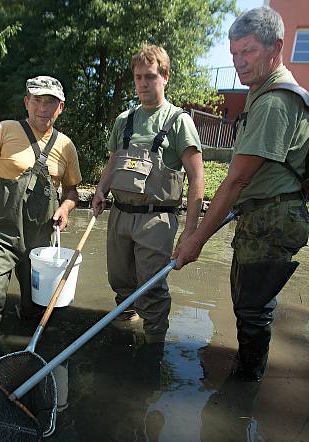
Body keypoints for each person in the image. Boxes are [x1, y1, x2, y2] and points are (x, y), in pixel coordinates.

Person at [173, 6, 309, 381]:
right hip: (264, 215)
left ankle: (244, 389)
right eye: (234, 53)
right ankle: (246, 380)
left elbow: (235, 181)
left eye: (247, 51)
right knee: (248, 306)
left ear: (275, 47)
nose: (239, 62)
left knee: (252, 312)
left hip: (273, 219)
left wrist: (196, 239)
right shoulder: (263, 92)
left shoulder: (272, 102)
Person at [0, 76, 81, 358]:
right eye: (37, 100)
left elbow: (72, 191)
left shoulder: (66, 146)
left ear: (60, 107)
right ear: (26, 102)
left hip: (41, 247)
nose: (43, 108)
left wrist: (66, 208)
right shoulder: (4, 130)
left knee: (38, 311)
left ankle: (29, 361)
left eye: (50, 102)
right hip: (0, 236)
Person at [91, 44, 204, 343]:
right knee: (120, 284)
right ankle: (126, 331)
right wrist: (101, 190)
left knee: (151, 290)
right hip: (119, 215)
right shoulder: (124, 120)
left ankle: (153, 348)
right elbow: (113, 162)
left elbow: (196, 178)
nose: (143, 83)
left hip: (156, 221)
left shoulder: (179, 121)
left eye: (150, 76)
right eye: (138, 77)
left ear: (165, 77)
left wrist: (190, 231)